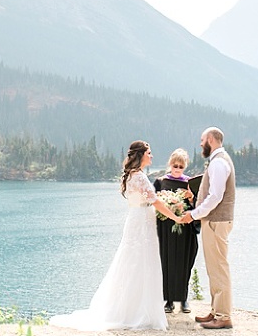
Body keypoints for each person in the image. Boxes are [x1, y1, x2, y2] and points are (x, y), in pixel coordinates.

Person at [50, 140, 181, 331]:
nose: (152, 156)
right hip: (142, 222)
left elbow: (151, 200)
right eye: (149, 153)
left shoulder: (132, 176)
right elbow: (155, 202)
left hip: (136, 219)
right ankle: (137, 312)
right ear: (141, 155)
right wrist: (176, 217)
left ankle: (131, 308)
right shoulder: (140, 177)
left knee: (132, 262)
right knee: (142, 263)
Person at [181, 127, 236, 330]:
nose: (200, 143)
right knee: (214, 268)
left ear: (211, 140)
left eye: (202, 140)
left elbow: (215, 196)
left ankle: (223, 316)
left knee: (219, 268)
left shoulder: (219, 162)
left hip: (216, 221)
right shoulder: (218, 160)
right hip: (215, 221)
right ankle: (216, 311)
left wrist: (194, 214)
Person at [153, 148, 199, 314]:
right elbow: (153, 203)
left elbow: (198, 207)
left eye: (181, 166)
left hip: (185, 228)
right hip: (166, 228)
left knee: (184, 260)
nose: (177, 169)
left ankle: (184, 299)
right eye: (175, 166)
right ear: (170, 165)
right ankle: (169, 300)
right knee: (166, 261)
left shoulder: (190, 183)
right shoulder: (160, 182)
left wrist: (191, 198)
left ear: (185, 166)